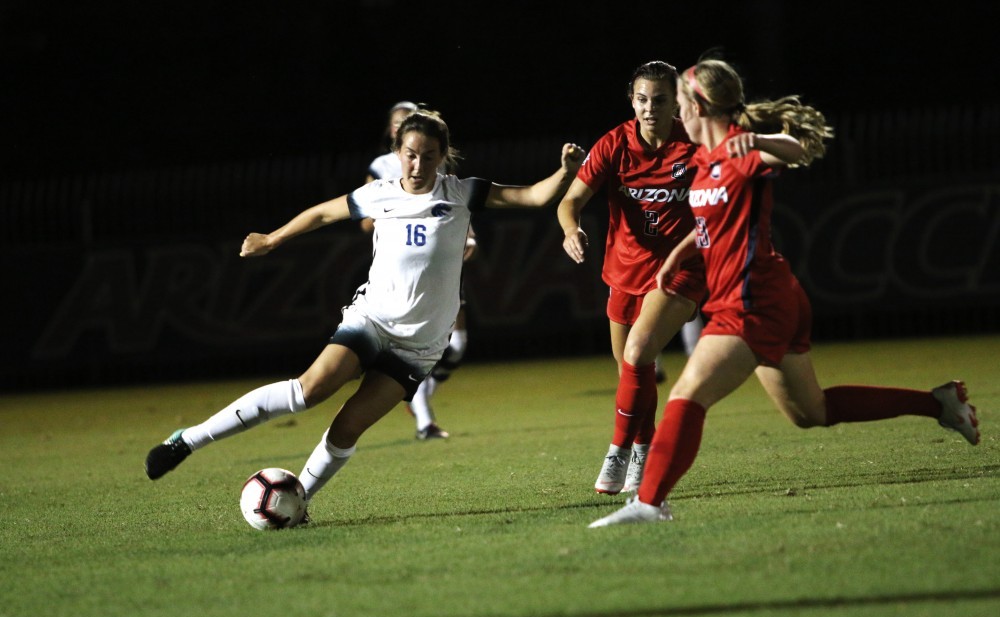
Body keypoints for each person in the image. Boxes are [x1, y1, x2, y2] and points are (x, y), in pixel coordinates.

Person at [589, 58, 980, 527]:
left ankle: (648, 503)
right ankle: (938, 402)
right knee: (811, 411)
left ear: (698, 106)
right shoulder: (706, 159)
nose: (674, 114)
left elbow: (793, 149)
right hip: (773, 297)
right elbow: (714, 221)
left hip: (753, 302)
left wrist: (754, 139)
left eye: (681, 104)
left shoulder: (738, 151)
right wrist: (681, 253)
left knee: (686, 396)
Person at [144, 109, 586, 517]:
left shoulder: (462, 193)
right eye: (410, 155)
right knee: (309, 391)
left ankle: (298, 505)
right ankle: (188, 440)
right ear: (398, 153)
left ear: (442, 157)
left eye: (428, 157)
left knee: (348, 427)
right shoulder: (380, 194)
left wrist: (565, 172)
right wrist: (273, 239)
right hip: (372, 320)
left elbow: (531, 197)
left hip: (421, 345)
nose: (417, 166)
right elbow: (321, 213)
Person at [558, 60, 707, 496]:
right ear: (631, 100)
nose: (649, 108)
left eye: (660, 100)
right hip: (623, 274)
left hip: (679, 272)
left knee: (639, 354)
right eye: (641, 99)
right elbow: (570, 202)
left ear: (676, 102)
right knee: (632, 374)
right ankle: (645, 452)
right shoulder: (614, 144)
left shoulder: (693, 145)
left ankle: (618, 451)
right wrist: (572, 229)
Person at [363, 101, 477, 440]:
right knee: (407, 349)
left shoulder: (439, 171)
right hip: (401, 271)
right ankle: (425, 420)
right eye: (396, 122)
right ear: (391, 133)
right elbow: (364, 221)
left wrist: (466, 239)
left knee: (456, 346)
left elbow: (459, 210)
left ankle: (420, 394)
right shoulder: (382, 168)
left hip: (439, 268)